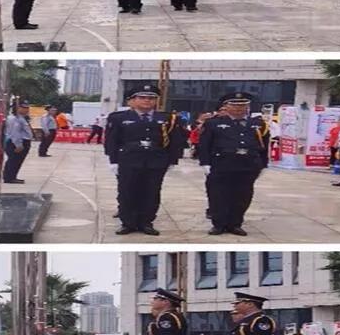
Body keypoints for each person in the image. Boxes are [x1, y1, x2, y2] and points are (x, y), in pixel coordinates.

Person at [104, 85, 184, 235]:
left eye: (151, 98)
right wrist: (113, 161)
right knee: (127, 192)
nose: (147, 100)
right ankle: (128, 223)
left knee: (151, 192)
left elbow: (175, 140)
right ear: (132, 100)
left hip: (156, 161)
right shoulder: (118, 118)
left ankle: (146, 222)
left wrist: (173, 160)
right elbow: (111, 140)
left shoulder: (167, 118)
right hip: (129, 160)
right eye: (142, 97)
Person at [198, 92, 269, 236]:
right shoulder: (213, 123)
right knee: (218, 195)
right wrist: (205, 163)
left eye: (242, 105)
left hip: (247, 165)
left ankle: (235, 224)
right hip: (221, 165)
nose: (238, 108)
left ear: (248, 107)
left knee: (242, 196)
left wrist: (262, 165)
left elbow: (264, 146)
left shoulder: (258, 124)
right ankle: (218, 224)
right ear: (226, 106)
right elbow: (204, 145)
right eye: (234, 105)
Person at [3, 101, 33, 184]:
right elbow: (15, 133)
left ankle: (10, 176)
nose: (26, 110)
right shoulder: (14, 119)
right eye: (24, 108)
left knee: (15, 161)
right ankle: (10, 178)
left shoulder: (21, 118)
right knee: (14, 161)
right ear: (17, 108)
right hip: (17, 142)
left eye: (27, 108)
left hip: (20, 141)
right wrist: (18, 145)